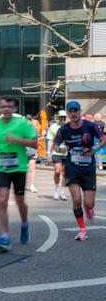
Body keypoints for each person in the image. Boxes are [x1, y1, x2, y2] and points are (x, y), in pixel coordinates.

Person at [0, 97, 37, 251]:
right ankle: (5, 237)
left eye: (9, 106)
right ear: (0, 109)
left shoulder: (22, 124)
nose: (6, 109)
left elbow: (35, 143)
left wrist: (17, 139)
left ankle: (24, 223)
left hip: (19, 168)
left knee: (20, 201)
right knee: (2, 200)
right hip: (1, 168)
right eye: (3, 106)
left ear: (15, 108)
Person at [52, 100, 106, 241]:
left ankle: (89, 208)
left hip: (88, 169)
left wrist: (93, 149)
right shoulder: (64, 129)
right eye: (71, 111)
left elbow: (103, 139)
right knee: (76, 199)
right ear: (68, 113)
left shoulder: (91, 126)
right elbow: (55, 144)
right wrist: (61, 149)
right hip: (72, 168)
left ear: (80, 111)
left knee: (89, 203)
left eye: (76, 110)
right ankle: (82, 229)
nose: (74, 113)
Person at [47, 112, 68, 200]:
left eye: (64, 117)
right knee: (57, 171)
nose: (62, 119)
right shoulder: (53, 127)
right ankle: (56, 191)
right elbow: (50, 140)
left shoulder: (69, 126)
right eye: (61, 117)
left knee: (65, 174)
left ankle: (63, 193)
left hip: (67, 153)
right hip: (56, 152)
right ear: (58, 118)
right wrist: (48, 152)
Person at [25, 114, 43, 193]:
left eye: (30, 120)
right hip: (23, 151)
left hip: (32, 151)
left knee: (32, 167)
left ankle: (32, 185)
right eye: (27, 120)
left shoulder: (34, 129)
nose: (28, 121)